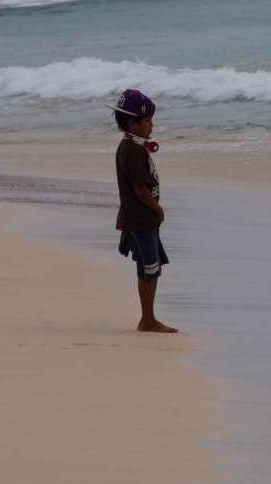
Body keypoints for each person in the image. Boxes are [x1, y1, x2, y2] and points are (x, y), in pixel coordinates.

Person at [108, 88, 177, 333]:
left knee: (153, 268)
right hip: (139, 220)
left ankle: (150, 317)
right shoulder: (134, 150)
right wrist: (158, 210)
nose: (152, 126)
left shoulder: (131, 145)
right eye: (147, 121)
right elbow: (141, 190)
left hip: (143, 220)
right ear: (132, 122)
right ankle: (147, 319)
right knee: (147, 270)